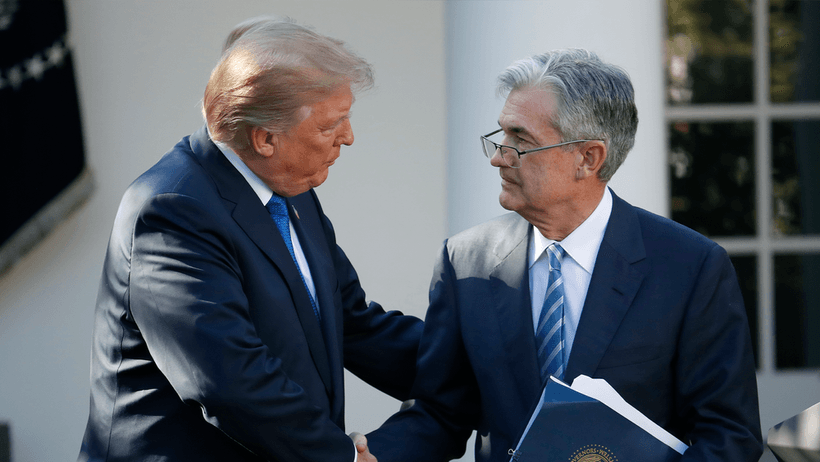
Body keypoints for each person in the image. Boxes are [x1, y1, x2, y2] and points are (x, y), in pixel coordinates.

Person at [367, 48, 762, 461]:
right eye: (501, 135)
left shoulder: (690, 267)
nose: (499, 157)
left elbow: (729, 435)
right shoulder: (466, 261)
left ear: (588, 158)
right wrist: (361, 456)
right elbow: (440, 414)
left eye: (520, 140)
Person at [78, 17, 423, 462]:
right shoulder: (171, 209)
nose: (348, 138)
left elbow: (354, 325)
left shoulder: (292, 193)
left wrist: (482, 366)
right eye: (329, 126)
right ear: (264, 138)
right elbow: (230, 382)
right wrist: (343, 457)